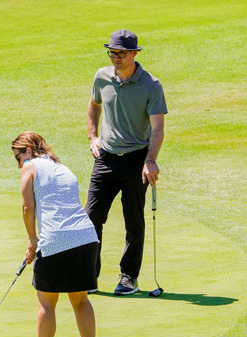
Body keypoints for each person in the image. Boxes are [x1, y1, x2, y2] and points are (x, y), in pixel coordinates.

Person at [11, 132, 101, 337]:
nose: (18, 164)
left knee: (47, 302)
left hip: (56, 239)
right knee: (80, 299)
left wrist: (32, 240)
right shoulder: (62, 168)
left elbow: (28, 208)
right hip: (86, 236)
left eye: (17, 157)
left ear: (27, 150)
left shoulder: (30, 167)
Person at [86, 29, 167, 295]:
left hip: (136, 159)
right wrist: (92, 136)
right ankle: (88, 276)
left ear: (134, 53)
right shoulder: (102, 77)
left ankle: (128, 277)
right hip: (106, 158)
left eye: (121, 53)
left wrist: (151, 160)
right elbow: (94, 104)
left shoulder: (151, 85)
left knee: (133, 221)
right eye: (112, 52)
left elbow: (157, 127)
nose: (116, 58)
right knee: (91, 217)